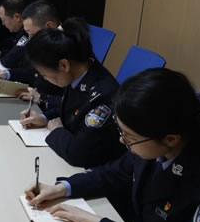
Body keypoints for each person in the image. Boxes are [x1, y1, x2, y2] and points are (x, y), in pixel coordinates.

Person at [25, 68, 200, 222]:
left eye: (129, 137)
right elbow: (115, 173)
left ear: (171, 139)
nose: (121, 140)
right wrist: (62, 188)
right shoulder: (157, 142)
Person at [19, 17, 125, 168]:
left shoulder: (103, 95)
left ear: (64, 65)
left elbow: (78, 154)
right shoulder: (80, 71)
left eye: (44, 74)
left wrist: (56, 130)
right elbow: (71, 109)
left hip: (96, 169)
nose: (45, 79)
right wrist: (44, 118)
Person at [0, 0, 63, 102]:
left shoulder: (68, 49)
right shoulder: (46, 45)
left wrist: (43, 99)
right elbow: (33, 73)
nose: (29, 40)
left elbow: (76, 102)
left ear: (49, 27)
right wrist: (7, 74)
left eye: (32, 34)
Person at [0, 0, 29, 69]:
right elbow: (12, 52)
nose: (3, 24)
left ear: (17, 17)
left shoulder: (28, 33)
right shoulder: (18, 32)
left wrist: (3, 55)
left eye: (4, 20)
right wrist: (0, 53)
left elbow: (9, 61)